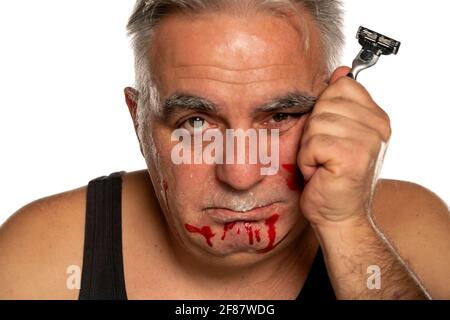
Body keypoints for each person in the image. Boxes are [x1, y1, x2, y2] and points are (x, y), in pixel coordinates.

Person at [1, 0, 449, 300]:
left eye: (279, 118)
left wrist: (349, 227)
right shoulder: (42, 254)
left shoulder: (413, 229)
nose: (239, 174)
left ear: (339, 104)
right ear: (138, 122)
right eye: (195, 123)